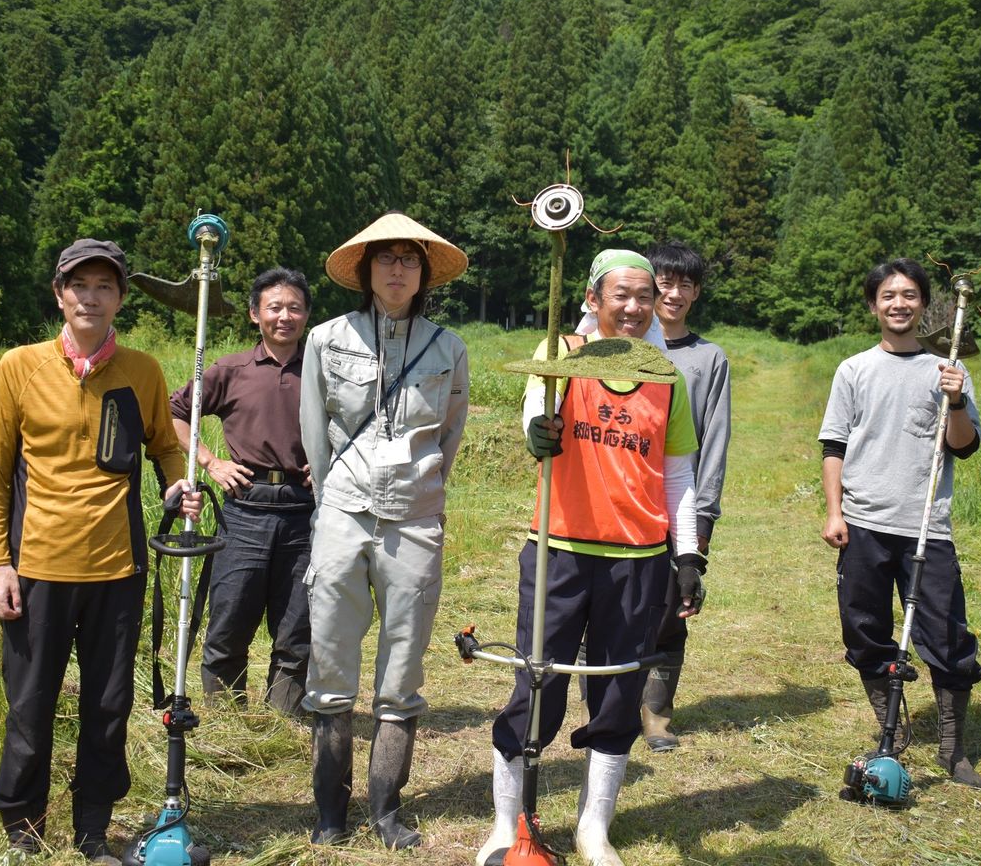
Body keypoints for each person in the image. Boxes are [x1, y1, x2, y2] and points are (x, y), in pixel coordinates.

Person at [477, 249, 705, 866]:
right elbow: (535, 416)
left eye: (644, 296)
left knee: (615, 693)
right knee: (537, 683)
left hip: (639, 558)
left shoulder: (666, 378)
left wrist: (689, 557)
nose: (633, 307)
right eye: (620, 295)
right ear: (594, 299)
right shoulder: (562, 361)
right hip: (560, 551)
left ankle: (593, 830)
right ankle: (507, 825)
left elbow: (679, 476)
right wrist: (538, 432)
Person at [0, 239, 200, 862]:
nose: (91, 297)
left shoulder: (143, 370)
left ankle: (92, 830)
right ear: (59, 294)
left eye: (105, 286)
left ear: (121, 300)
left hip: (117, 568)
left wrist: (175, 482)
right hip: (38, 570)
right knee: (30, 707)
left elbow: (163, 445)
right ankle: (24, 829)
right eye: (79, 285)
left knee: (108, 707)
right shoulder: (18, 367)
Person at [300, 211, 470, 849]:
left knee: (403, 668)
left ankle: (386, 808)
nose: (397, 269)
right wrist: (327, 504)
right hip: (342, 511)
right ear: (365, 270)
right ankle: (329, 812)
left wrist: (425, 492)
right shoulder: (325, 339)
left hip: (416, 521)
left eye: (409, 259)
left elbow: (447, 436)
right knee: (331, 661)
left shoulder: (448, 347)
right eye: (385, 258)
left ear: (423, 272)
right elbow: (315, 433)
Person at [818, 258, 981, 787]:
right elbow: (834, 446)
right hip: (865, 520)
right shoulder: (854, 369)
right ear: (874, 305)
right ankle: (893, 728)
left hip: (926, 524)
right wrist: (834, 511)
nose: (898, 304)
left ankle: (953, 747)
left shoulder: (947, 369)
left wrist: (955, 399)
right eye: (888, 295)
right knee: (864, 627)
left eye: (909, 295)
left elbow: (964, 445)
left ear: (923, 304)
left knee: (946, 633)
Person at [169, 268, 314, 717]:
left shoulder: (323, 371)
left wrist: (332, 463)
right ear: (255, 314)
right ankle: (226, 722)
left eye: (294, 307)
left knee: (297, 626)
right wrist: (212, 462)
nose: (284, 316)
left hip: (306, 513)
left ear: (306, 315)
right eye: (274, 307)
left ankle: (285, 719)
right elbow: (175, 413)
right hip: (245, 509)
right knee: (230, 618)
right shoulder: (231, 369)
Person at [639, 240, 731, 751]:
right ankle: (608, 697)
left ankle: (657, 713)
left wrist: (704, 513)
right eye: (665, 282)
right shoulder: (627, 347)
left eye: (685, 285)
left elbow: (714, 438)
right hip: (624, 499)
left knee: (674, 604)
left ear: (696, 293)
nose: (673, 293)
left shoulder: (708, 358)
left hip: (683, 500)